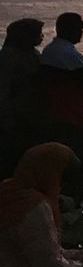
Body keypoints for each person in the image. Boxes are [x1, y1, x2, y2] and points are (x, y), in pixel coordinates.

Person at [39, 13, 83, 207]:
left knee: (57, 163)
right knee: (75, 164)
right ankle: (72, 205)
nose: (81, 32)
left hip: (54, 114)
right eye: (80, 28)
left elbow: (68, 79)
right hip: (72, 116)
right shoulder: (69, 54)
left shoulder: (50, 51)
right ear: (69, 30)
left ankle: (57, 201)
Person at [0, 19, 44, 178]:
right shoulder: (9, 57)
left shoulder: (32, 53)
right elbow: (3, 90)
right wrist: (6, 119)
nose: (41, 37)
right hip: (16, 116)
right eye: (37, 33)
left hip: (31, 114)